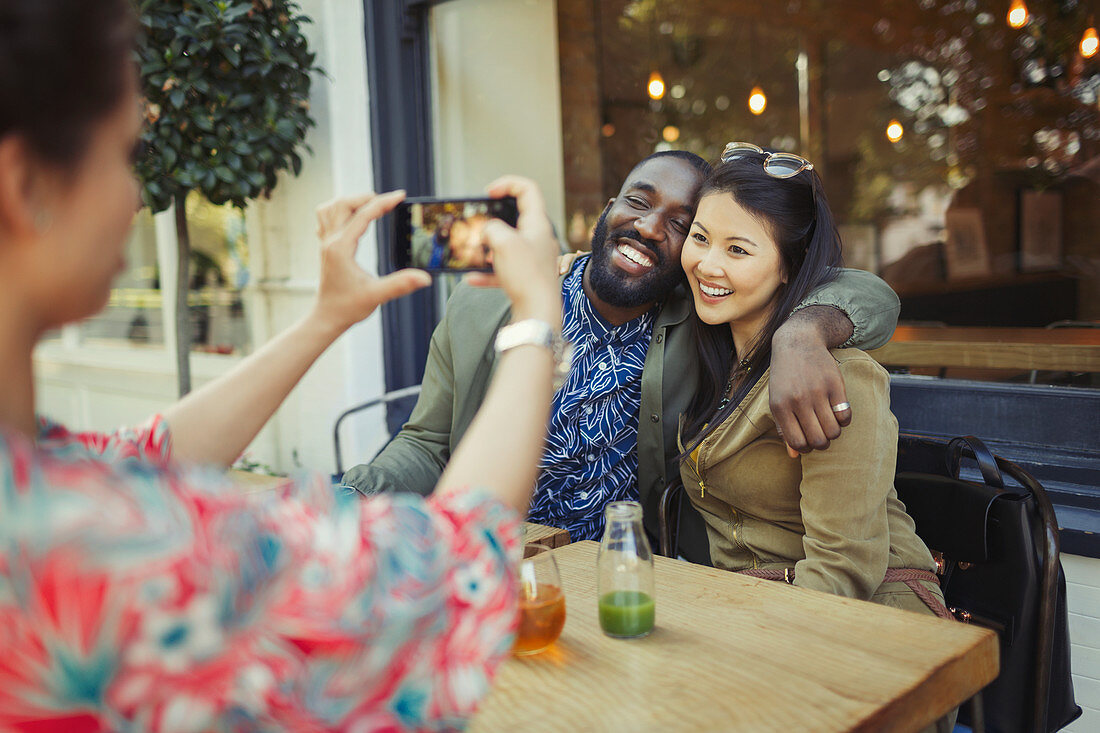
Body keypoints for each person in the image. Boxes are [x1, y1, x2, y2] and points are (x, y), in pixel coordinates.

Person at [0, 0, 563, 727]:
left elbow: (139, 455)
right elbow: (445, 579)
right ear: (27, 187)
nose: (136, 195)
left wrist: (325, 319)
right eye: (125, 153)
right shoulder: (91, 543)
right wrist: (538, 313)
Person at [343, 150, 902, 560]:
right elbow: (427, 442)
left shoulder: (699, 316)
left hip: (631, 574)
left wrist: (801, 332)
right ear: (607, 210)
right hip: (496, 557)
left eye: (684, 226)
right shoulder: (486, 305)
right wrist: (356, 493)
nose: (650, 227)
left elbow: (866, 291)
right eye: (638, 202)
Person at [676, 142, 946, 620]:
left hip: (867, 623)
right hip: (752, 609)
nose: (708, 265)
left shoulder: (835, 377)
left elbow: (842, 570)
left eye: (737, 249)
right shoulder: (715, 352)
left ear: (790, 266)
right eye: (700, 237)